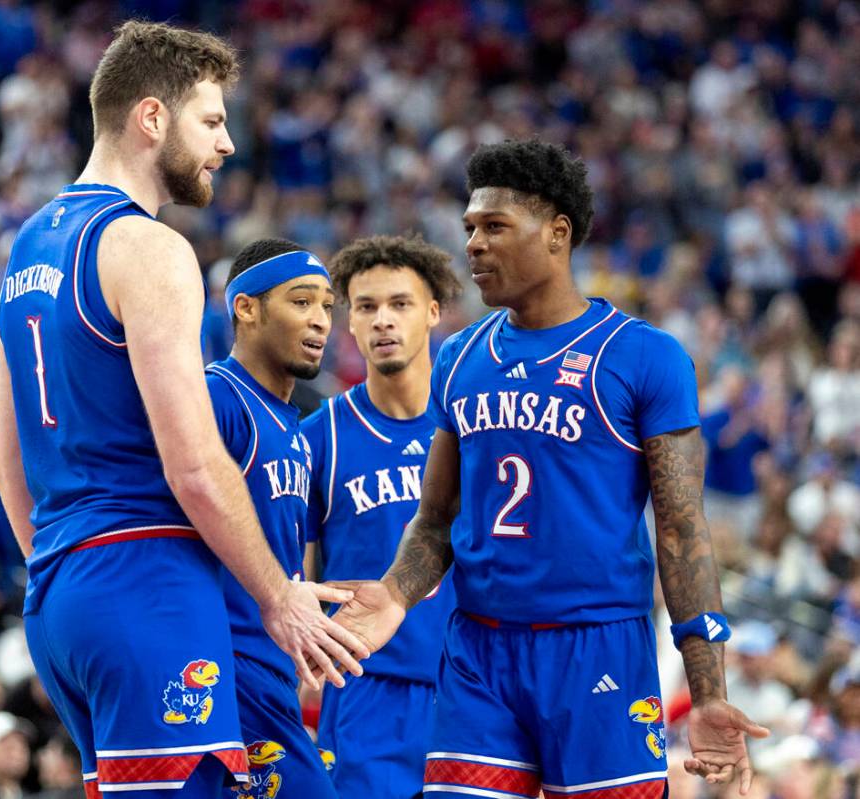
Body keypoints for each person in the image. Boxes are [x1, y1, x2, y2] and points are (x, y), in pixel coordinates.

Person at [325, 139, 770, 796]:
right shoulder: (459, 357)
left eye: (495, 227)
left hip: (597, 646)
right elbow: (436, 519)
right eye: (469, 227)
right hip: (478, 650)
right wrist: (393, 593)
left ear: (557, 233)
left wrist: (706, 691)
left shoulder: (643, 356)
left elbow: (680, 528)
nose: (472, 243)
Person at [0, 20, 366, 798]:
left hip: (59, 591)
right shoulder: (149, 247)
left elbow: (6, 468)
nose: (226, 144)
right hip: (144, 578)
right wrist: (279, 595)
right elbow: (195, 464)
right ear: (151, 118)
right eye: (212, 120)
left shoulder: (27, 247)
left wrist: (72, 574)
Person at [301, 235, 462, 798]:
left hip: (474, 688)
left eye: (401, 304)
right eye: (366, 307)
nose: (383, 321)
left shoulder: (475, 423)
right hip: (369, 694)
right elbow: (293, 575)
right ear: (349, 321)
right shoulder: (320, 436)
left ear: (434, 313)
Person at [205, 237, 338, 799]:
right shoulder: (217, 398)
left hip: (272, 667)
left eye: (329, 307)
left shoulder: (292, 423)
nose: (321, 322)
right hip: (227, 665)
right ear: (247, 308)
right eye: (301, 302)